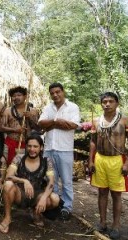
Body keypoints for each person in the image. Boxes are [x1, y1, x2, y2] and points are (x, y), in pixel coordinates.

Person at [89, 92, 128, 239]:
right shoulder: (97, 121)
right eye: (104, 102)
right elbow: (93, 141)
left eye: (110, 101)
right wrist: (90, 160)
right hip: (100, 159)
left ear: (117, 103)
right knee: (102, 192)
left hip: (117, 160)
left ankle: (116, 226)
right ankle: (102, 223)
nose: (107, 104)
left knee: (116, 194)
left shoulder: (125, 120)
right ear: (101, 104)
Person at [0, 135, 60, 234]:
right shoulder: (19, 157)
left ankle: (36, 212)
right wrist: (24, 181)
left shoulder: (46, 161)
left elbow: (51, 182)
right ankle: (7, 217)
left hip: (37, 195)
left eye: (35, 146)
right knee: (8, 184)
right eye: (29, 146)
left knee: (55, 199)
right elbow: (8, 176)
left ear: (41, 147)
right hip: (20, 194)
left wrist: (44, 197)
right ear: (26, 147)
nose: (32, 149)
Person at [38, 82, 80, 220]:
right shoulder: (48, 107)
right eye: (52, 93)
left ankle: (67, 208)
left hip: (65, 149)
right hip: (49, 149)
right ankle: (55, 205)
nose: (55, 95)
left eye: (58, 92)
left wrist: (52, 123)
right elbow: (41, 123)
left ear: (63, 92)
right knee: (51, 179)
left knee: (67, 181)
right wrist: (57, 121)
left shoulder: (73, 107)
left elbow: (73, 125)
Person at [1, 86, 40, 165]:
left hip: (27, 144)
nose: (16, 98)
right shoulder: (7, 111)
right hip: (10, 143)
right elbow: (1, 127)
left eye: (19, 95)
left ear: (25, 96)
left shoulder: (33, 111)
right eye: (14, 96)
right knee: (8, 166)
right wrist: (15, 130)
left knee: (24, 166)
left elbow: (38, 128)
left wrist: (30, 118)